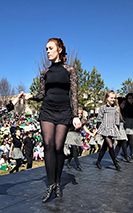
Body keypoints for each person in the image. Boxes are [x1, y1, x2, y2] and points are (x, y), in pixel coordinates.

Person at [25, 38, 81, 203]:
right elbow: (42, 94)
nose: (47, 51)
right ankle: (51, 184)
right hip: (47, 111)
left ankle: (58, 182)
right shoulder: (44, 73)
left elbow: (74, 94)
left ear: (59, 50)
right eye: (46, 49)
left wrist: (76, 115)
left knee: (58, 148)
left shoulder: (70, 70)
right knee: (48, 146)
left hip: (64, 112)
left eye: (50, 48)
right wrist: (31, 96)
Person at [95, 90, 121, 171]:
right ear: (107, 98)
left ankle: (98, 161)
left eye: (114, 98)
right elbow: (99, 119)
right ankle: (116, 164)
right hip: (104, 128)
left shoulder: (116, 108)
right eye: (111, 98)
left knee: (104, 147)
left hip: (112, 129)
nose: (113, 99)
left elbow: (117, 120)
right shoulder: (103, 108)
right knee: (110, 146)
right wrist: (100, 130)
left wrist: (117, 129)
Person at [114, 97, 132, 163]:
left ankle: (115, 156)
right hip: (119, 126)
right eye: (123, 103)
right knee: (123, 141)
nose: (123, 105)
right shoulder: (117, 110)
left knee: (120, 143)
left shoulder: (121, 110)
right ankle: (126, 155)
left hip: (121, 126)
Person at [123, 93, 133, 158]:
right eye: (129, 98)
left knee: (129, 139)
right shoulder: (126, 106)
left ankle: (124, 152)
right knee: (131, 138)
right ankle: (131, 152)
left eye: (132, 98)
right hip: (127, 122)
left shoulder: (132, 106)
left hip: (132, 123)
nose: (131, 99)